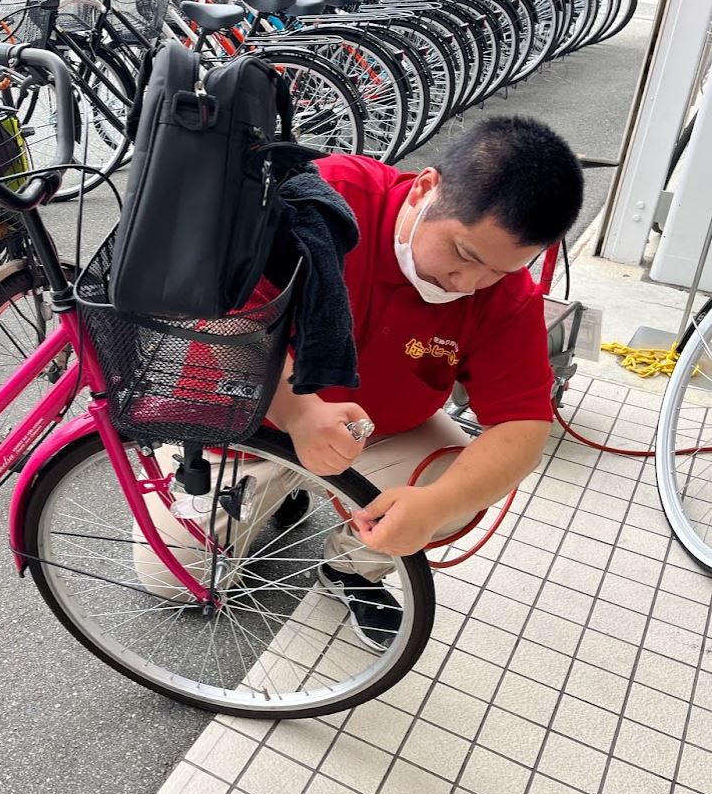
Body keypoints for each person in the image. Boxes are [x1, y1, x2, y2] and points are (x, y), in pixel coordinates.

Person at [133, 115, 584, 651]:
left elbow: (523, 427)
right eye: (464, 255)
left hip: (373, 433)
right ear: (425, 189)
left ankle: (351, 567)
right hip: (242, 422)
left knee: (455, 485)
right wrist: (296, 412)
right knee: (172, 580)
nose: (470, 285)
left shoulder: (504, 295)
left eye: (499, 271)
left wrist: (435, 506)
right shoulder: (325, 199)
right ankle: (277, 491)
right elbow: (218, 310)